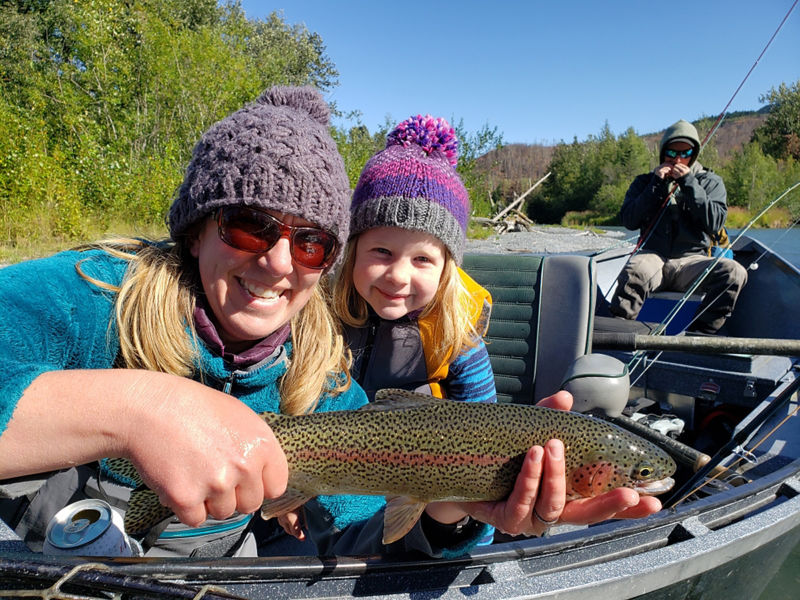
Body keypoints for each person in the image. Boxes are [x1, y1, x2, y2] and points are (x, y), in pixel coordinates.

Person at [0, 87, 659, 559]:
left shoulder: (322, 382)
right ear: (197, 231)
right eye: (249, 225)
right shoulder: (87, 294)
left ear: (327, 262)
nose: (278, 261)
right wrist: (139, 408)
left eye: (311, 242)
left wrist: (451, 511)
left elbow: (358, 541)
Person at [276, 115, 663, 546]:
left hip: (412, 532)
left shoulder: (460, 347)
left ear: (447, 270)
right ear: (351, 253)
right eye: (381, 250)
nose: (398, 276)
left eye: (422, 259)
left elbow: (482, 491)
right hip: (305, 500)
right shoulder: (312, 318)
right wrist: (285, 484)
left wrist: (463, 522)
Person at [609, 119, 748, 334]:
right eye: (672, 154)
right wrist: (656, 185)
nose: (678, 159)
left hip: (693, 262)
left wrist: (689, 183)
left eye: (686, 153)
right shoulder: (644, 182)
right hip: (654, 257)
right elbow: (629, 220)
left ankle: (699, 336)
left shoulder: (711, 182)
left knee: (734, 273)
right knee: (633, 272)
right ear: (663, 153)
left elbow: (715, 223)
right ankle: (619, 337)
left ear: (695, 154)